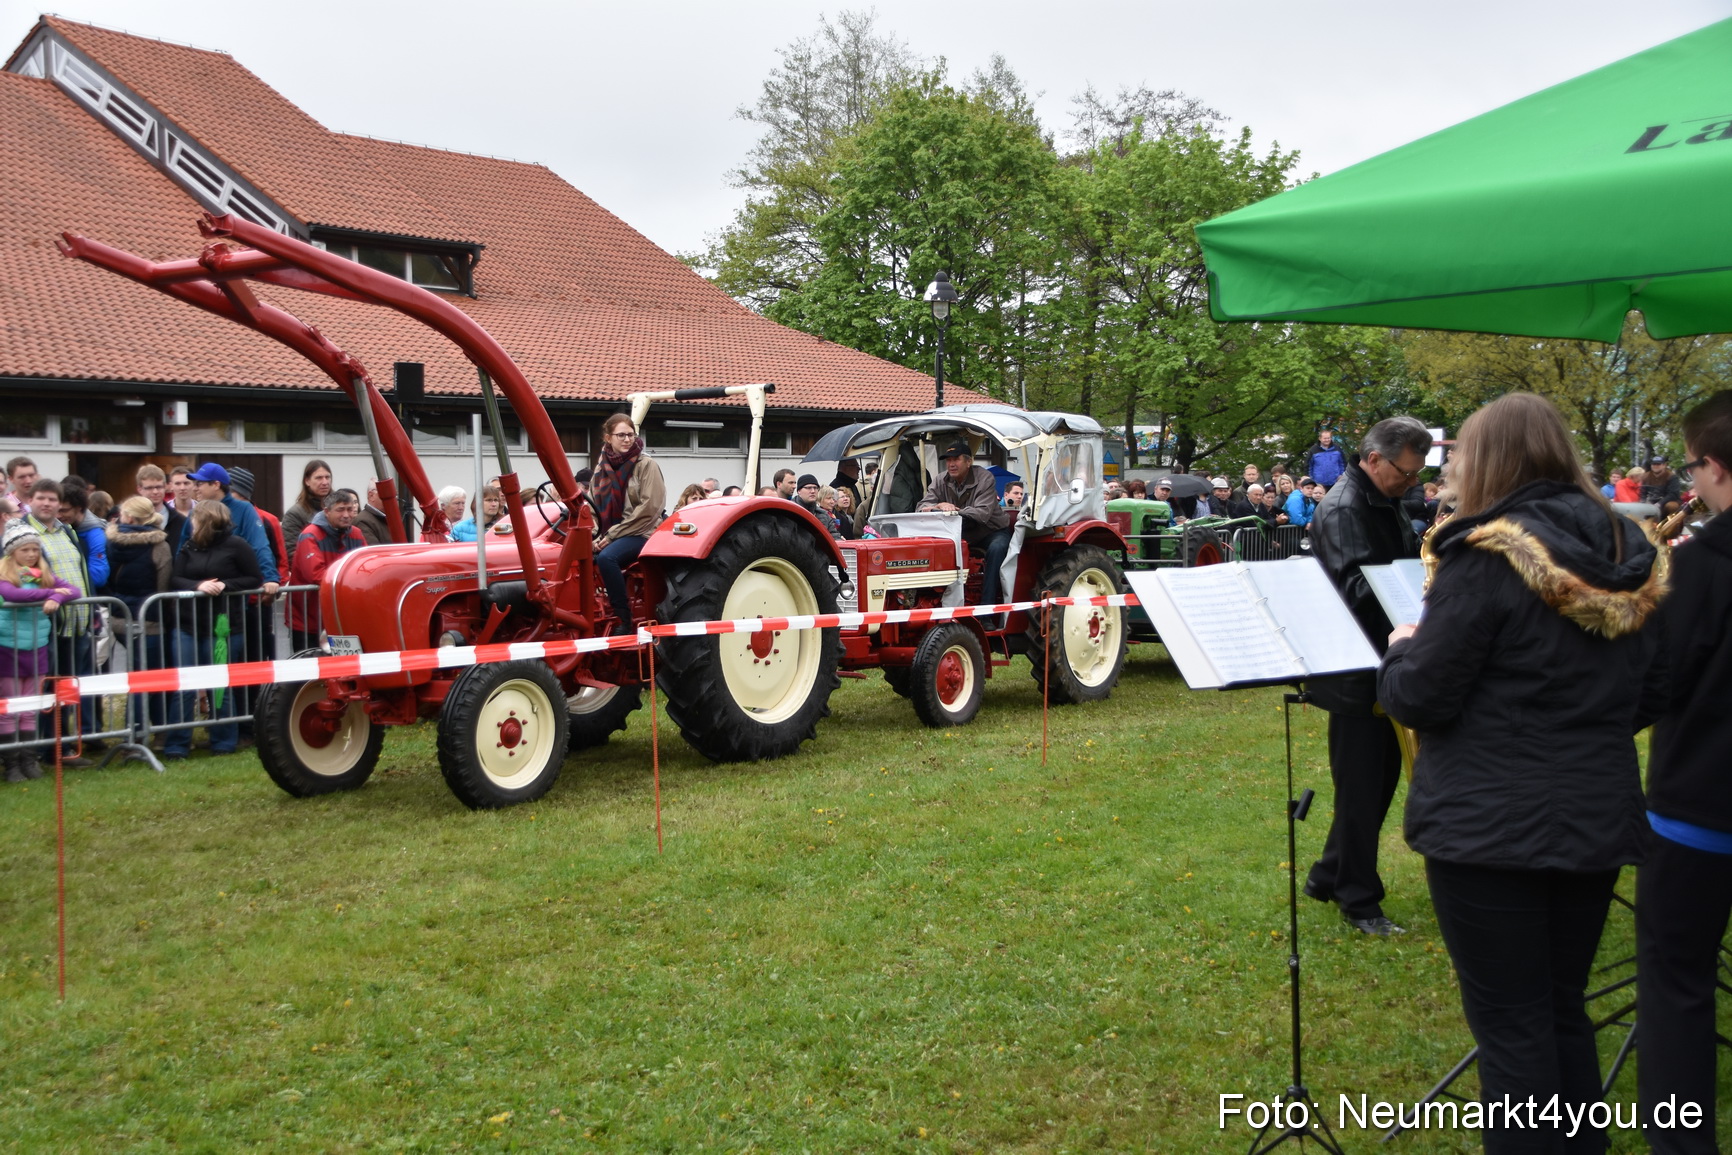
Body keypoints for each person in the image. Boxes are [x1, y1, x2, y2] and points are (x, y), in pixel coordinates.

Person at [1377, 393, 1661, 1151]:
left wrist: (1405, 643)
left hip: (1489, 826)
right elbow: (1653, 686)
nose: (1453, 468)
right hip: (1592, 808)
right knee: (1560, 1007)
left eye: (1462, 451)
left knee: (1514, 1029)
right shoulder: (1624, 549)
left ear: (1491, 460)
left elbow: (1420, 695)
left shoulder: (1487, 556)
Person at [1636, 390, 1732, 1151]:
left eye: (1694, 466)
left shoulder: (1697, 568)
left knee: (1676, 986)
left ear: (1717, 469)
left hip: (1701, 813)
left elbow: (1653, 685)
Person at [1303, 415, 1433, 935]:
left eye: (1416, 475)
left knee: (1374, 785)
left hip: (1383, 658)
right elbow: (1355, 592)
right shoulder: (1344, 509)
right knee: (1362, 788)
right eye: (1405, 473)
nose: (1411, 483)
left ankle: (1327, 874)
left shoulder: (1382, 498)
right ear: (1373, 459)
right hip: (1356, 667)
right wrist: (1414, 605)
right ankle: (1359, 900)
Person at [163, 501, 263, 760]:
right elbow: (175, 578)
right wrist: (198, 585)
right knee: (184, 685)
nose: (191, 523)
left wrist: (224, 586)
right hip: (187, 625)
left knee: (219, 686)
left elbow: (254, 578)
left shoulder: (237, 546)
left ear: (205, 521)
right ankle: (177, 744)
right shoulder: (189, 546)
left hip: (223, 627)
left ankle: (223, 741)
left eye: (195, 519)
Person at [19, 479, 94, 764]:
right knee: (46, 689)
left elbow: (80, 573)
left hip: (78, 624)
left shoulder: (68, 532)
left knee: (68, 688)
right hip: (45, 626)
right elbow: (23, 576)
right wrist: (55, 595)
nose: (47, 504)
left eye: (52, 499)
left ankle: (62, 748)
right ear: (31, 500)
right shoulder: (22, 534)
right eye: (41, 498)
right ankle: (45, 749)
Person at [0, 522, 79, 782]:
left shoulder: (40, 573)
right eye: (25, 549)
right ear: (12, 552)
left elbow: (74, 590)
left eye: (35, 549)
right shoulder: (4, 573)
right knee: (11, 708)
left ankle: (29, 760)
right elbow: (13, 594)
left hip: (37, 648)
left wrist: (56, 598)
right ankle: (12, 765)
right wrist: (52, 592)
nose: (32, 554)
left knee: (30, 707)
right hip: (8, 649)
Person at [918, 439, 1013, 610]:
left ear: (969, 462)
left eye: (956, 459)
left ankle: (987, 610)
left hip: (990, 531)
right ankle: (939, 605)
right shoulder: (940, 480)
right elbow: (921, 508)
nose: (951, 464)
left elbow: (982, 514)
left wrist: (952, 510)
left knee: (998, 548)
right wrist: (938, 506)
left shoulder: (984, 478)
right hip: (959, 532)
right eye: (948, 460)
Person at [105, 496, 173, 737]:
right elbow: (163, 586)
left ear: (129, 518)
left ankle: (138, 730)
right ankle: (149, 731)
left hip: (119, 617)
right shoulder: (159, 546)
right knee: (151, 677)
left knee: (138, 675)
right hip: (150, 620)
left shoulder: (110, 542)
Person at [591, 414, 665, 633]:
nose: (627, 440)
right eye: (621, 435)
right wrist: (595, 534)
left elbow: (650, 508)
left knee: (607, 557)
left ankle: (622, 617)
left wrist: (611, 536)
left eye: (630, 435)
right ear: (608, 438)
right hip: (610, 532)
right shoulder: (601, 467)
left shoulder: (646, 465)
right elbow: (592, 505)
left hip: (642, 531)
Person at [287, 489, 366, 653]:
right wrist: (351, 583)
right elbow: (316, 575)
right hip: (308, 619)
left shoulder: (356, 534)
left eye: (350, 509)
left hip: (341, 617)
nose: (346, 515)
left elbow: (366, 569)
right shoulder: (310, 535)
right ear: (327, 512)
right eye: (340, 510)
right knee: (308, 671)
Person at [227, 467, 286, 583]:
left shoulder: (269, 519)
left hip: (261, 593)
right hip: (232, 591)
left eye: (229, 491)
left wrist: (277, 586)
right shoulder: (219, 517)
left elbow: (281, 559)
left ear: (242, 494)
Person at [280, 459, 334, 545]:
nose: (325, 482)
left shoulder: (340, 509)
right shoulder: (295, 514)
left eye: (327, 477)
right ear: (307, 481)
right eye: (319, 478)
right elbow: (291, 550)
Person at [135, 464, 186, 548]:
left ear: (165, 486)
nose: (155, 492)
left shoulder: (180, 521)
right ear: (139, 489)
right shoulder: (130, 519)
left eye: (159, 487)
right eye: (149, 488)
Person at [355, 482, 393, 546]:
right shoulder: (363, 521)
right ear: (371, 495)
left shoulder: (390, 518)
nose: (393, 497)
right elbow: (374, 552)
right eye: (386, 492)